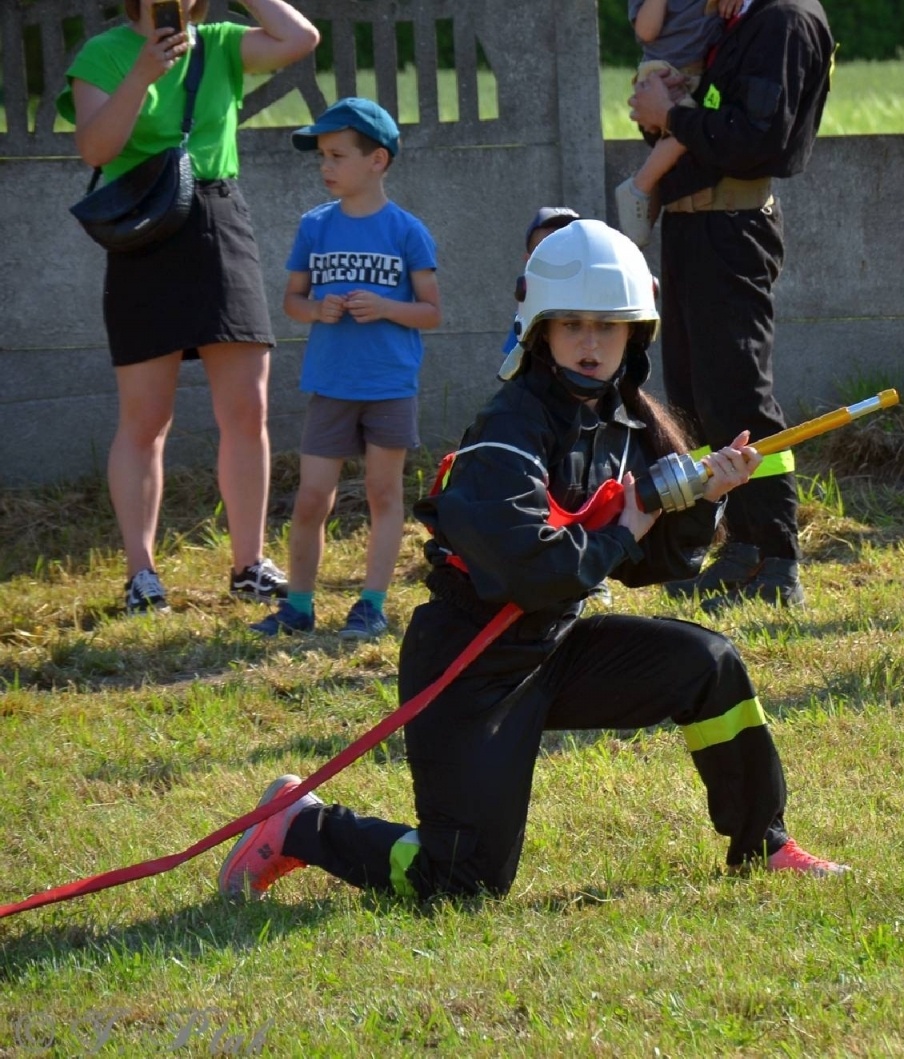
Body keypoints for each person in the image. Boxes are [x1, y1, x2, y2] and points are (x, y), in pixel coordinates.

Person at [218, 221, 847, 902]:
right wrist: (629, 523)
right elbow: (535, 569)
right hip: (470, 667)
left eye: (608, 326)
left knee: (709, 664)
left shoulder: (624, 425)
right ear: (540, 330)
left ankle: (763, 842)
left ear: (635, 334)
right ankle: (299, 824)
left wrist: (705, 498)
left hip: (557, 646)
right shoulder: (506, 430)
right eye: (571, 323)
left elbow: (650, 564)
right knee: (462, 881)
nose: (589, 342)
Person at [58, 0, 319, 614]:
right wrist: (143, 74)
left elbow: (299, 38)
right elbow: (95, 149)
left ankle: (249, 564)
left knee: (246, 408)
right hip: (145, 226)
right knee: (146, 420)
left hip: (219, 219)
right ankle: (141, 575)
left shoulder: (222, 42)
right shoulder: (103, 54)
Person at [629, 0, 834, 611]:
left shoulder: (784, 19)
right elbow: (707, 121)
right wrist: (661, 111)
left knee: (740, 396)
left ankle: (778, 556)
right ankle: (739, 547)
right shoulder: (735, 23)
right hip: (693, 229)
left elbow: (759, 140)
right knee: (696, 397)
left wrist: (674, 115)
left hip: (734, 227)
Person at [250, 99, 442, 640]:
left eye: (337, 155)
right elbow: (292, 300)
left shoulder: (407, 232)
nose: (325, 167)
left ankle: (371, 604)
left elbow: (432, 312)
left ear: (377, 160)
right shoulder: (315, 227)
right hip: (331, 384)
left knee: (384, 494)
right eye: (322, 157)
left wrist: (384, 308)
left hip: (388, 385)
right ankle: (300, 606)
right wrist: (316, 309)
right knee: (312, 497)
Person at [614, 0, 742, 247]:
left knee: (702, 125)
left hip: (703, 71)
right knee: (688, 123)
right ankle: (640, 186)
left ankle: (654, 190)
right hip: (661, 71)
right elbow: (646, 32)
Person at [502, 206, 581, 357]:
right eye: (548, 253)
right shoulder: (528, 313)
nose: (561, 261)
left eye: (571, 250)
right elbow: (514, 370)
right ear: (528, 262)